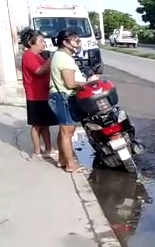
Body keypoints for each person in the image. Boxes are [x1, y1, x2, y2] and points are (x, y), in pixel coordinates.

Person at [49, 29, 96, 173]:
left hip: (60, 96)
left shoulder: (60, 55)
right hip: (63, 96)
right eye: (75, 40)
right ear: (65, 42)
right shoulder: (63, 58)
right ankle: (70, 164)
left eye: (78, 40)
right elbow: (69, 83)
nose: (78, 43)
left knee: (64, 131)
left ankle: (62, 160)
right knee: (67, 131)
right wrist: (87, 83)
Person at [20, 28, 58, 159]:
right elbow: (38, 71)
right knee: (37, 125)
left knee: (45, 123)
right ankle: (37, 151)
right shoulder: (28, 56)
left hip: (43, 94)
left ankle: (48, 148)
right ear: (31, 43)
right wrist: (50, 61)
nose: (44, 44)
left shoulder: (38, 56)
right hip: (35, 95)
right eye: (41, 41)